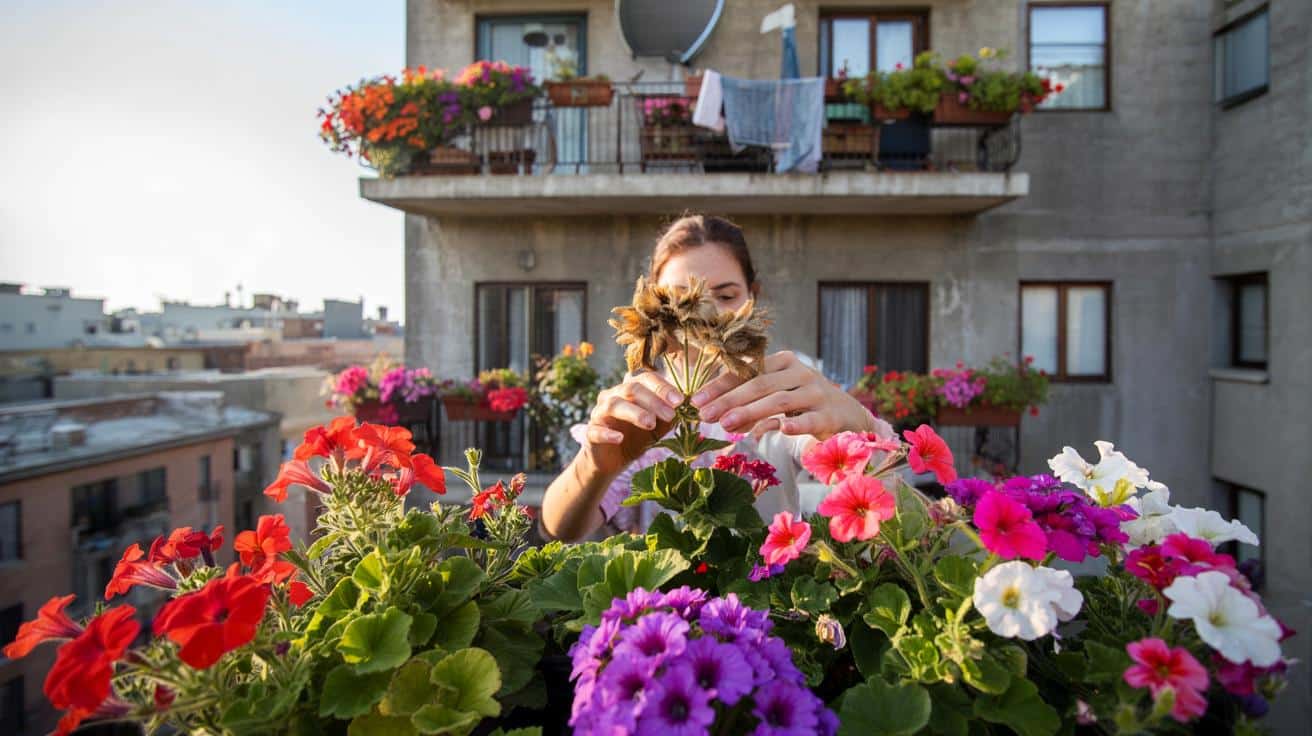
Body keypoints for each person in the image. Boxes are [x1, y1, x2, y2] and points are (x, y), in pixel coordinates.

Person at [540, 215, 892, 542]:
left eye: (725, 296)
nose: (703, 315)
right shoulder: (637, 407)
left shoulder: (781, 391)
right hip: (663, 606)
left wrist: (859, 432)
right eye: (680, 300)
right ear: (651, 308)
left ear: (751, 298)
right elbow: (560, 529)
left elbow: (879, 499)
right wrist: (594, 467)